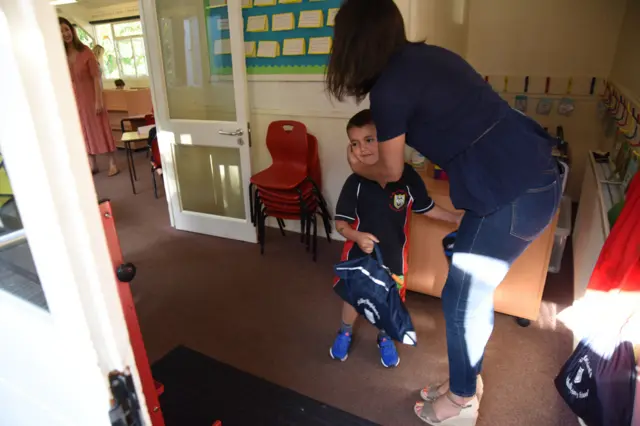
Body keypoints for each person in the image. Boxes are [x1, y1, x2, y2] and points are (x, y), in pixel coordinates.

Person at [326, 1, 561, 424]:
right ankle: (465, 382)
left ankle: (462, 400)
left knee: (460, 299)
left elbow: (392, 170)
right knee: (470, 296)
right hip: (527, 177)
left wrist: (359, 166)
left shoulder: (389, 89)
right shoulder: (426, 58)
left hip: (513, 190)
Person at [331, 109, 461, 368]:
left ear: (388, 140)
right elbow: (341, 224)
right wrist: (356, 236)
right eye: (355, 143)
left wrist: (455, 218)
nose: (363, 149)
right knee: (353, 299)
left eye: (369, 139)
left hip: (394, 257)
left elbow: (426, 207)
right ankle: (344, 332)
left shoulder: (408, 177)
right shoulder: (355, 182)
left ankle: (385, 337)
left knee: (390, 303)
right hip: (360, 259)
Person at [59, 18, 118, 176]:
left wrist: (98, 100)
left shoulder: (85, 52)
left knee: (100, 128)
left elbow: (96, 77)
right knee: (82, 132)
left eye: (67, 29)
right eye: (61, 31)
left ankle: (112, 163)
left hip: (91, 98)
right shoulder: (60, 56)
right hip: (74, 101)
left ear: (72, 30)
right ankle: (92, 164)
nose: (66, 33)